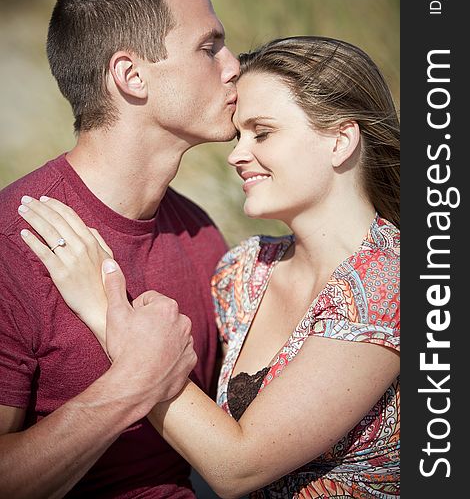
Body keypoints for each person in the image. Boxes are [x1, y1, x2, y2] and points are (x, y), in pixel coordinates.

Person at [19, 36, 400, 498]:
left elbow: (237, 467)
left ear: (341, 140)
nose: (237, 154)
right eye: (239, 134)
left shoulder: (389, 282)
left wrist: (105, 311)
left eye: (262, 132)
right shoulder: (243, 271)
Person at [0, 0, 239, 497]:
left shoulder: (199, 233)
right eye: (209, 48)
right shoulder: (12, 244)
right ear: (130, 75)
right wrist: (134, 383)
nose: (233, 66)